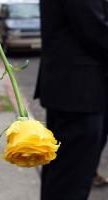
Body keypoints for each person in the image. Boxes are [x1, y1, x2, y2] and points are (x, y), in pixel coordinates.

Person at [34, 0, 108, 199]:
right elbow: (94, 29)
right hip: (79, 95)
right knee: (70, 182)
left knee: (66, 176)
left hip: (77, 91)